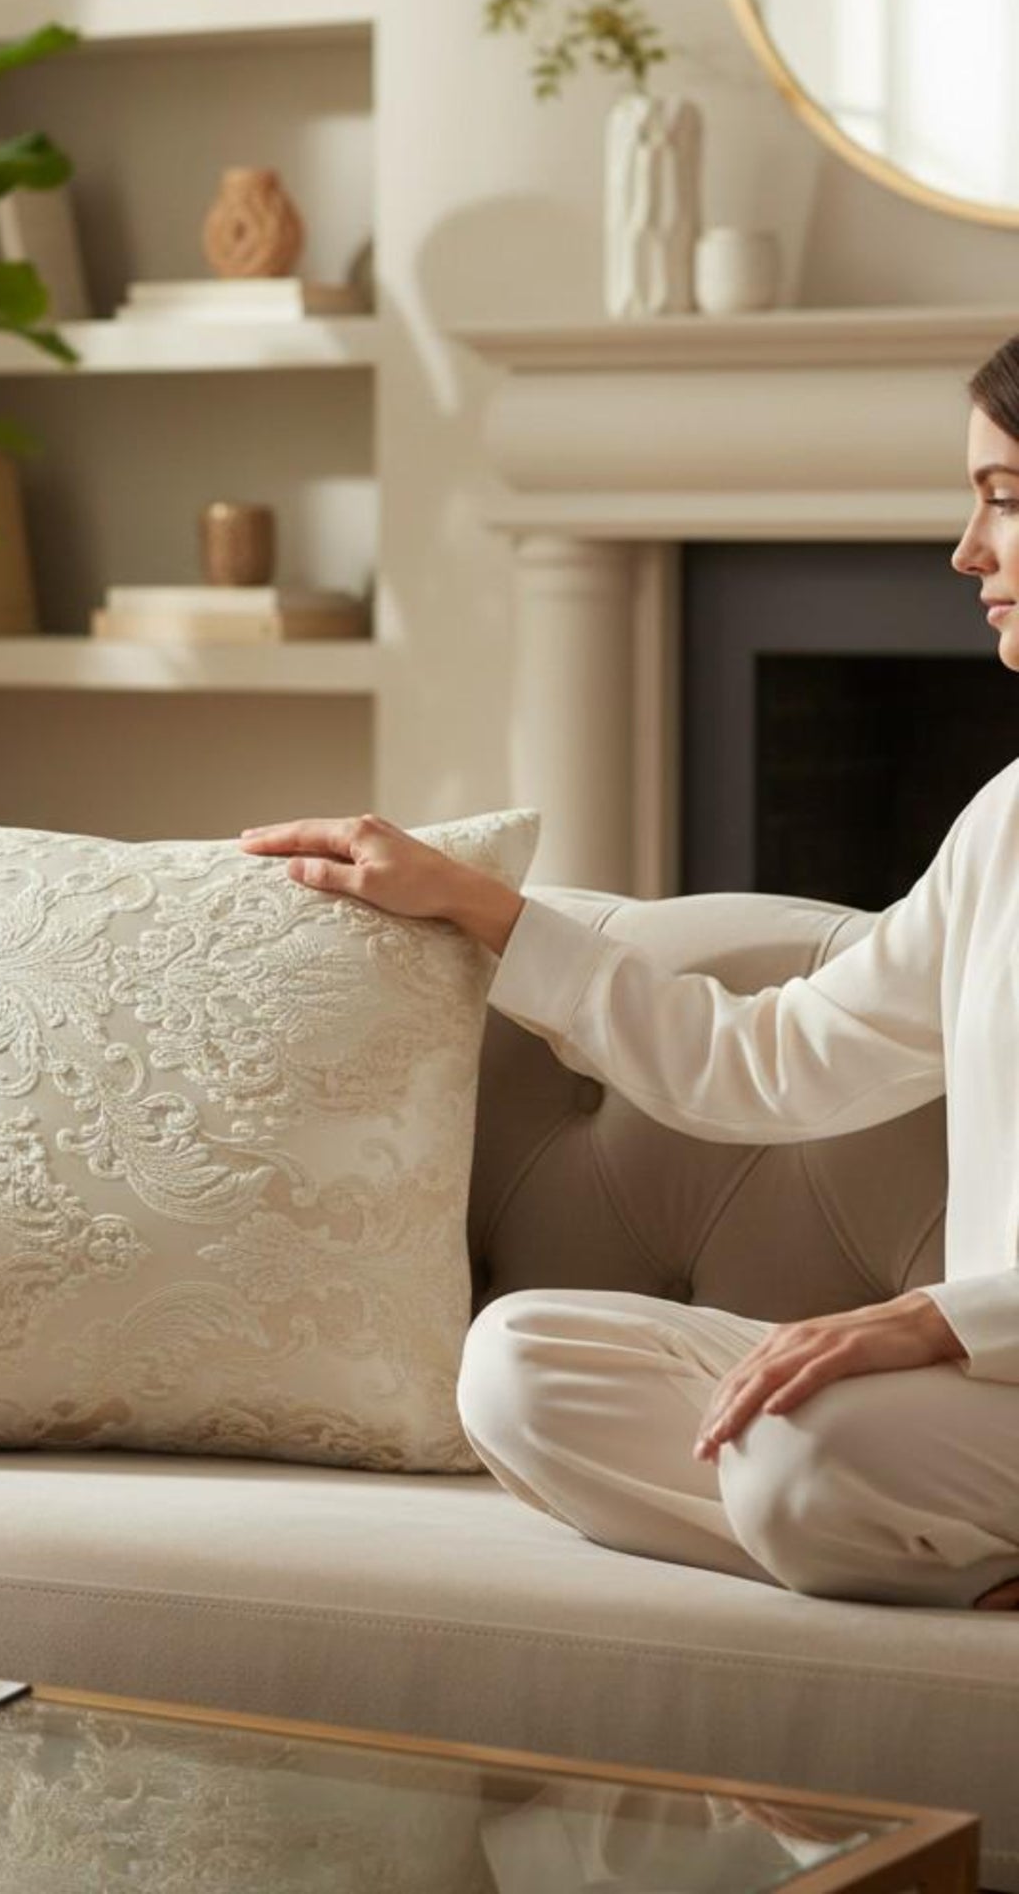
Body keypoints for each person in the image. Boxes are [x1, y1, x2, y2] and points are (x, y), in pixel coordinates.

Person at [236, 335, 1019, 1612]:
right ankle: (938, 1560)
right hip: (979, 1409)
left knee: (803, 1456)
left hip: (978, 1371)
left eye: (1001, 496)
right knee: (518, 1365)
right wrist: (482, 911)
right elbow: (769, 1059)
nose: (964, 550)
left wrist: (938, 1320)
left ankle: (863, 1528)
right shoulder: (1007, 822)